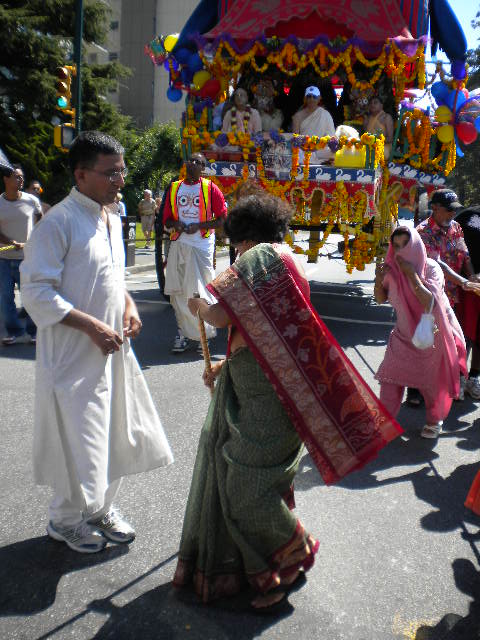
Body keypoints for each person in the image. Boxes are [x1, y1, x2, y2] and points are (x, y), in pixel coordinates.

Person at [173, 194, 401, 610]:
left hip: (269, 395)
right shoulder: (284, 258)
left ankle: (293, 556)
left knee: (247, 486)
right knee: (253, 478)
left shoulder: (260, 256)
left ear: (247, 235)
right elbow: (267, 333)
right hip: (271, 383)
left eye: (236, 242)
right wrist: (225, 366)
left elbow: (223, 316)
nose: (236, 251)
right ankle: (263, 566)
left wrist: (198, 308)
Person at [20, 131, 173, 553]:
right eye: (111, 173)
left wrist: (128, 307)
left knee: (116, 432)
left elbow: (112, 277)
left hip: (112, 348)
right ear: (81, 174)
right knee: (76, 438)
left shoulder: (111, 216)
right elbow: (37, 292)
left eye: (121, 171)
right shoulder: (58, 223)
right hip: (72, 354)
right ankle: (64, 520)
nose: (119, 180)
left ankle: (101, 508)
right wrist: (91, 326)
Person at [374, 226, 467, 439]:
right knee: (390, 380)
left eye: (404, 245)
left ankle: (434, 421)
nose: (399, 251)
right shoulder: (391, 269)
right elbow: (380, 299)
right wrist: (379, 280)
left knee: (431, 386)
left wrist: (412, 276)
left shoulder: (431, 268)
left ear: (415, 245)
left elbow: (430, 303)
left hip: (430, 337)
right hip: (402, 336)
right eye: (395, 246)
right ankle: (384, 421)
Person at [417, 189, 479, 401]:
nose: (452, 215)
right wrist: (464, 282)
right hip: (428, 297)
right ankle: (415, 390)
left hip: (451, 297)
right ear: (434, 209)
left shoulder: (456, 228)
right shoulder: (423, 232)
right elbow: (438, 264)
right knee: (425, 342)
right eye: (448, 211)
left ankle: (446, 384)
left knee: (451, 341)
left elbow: (464, 254)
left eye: (455, 211)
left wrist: (472, 276)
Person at [162, 153, 227, 353]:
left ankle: (203, 336)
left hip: (201, 246)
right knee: (179, 293)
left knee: (200, 291)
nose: (193, 163)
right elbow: (166, 220)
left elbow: (222, 219)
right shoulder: (174, 187)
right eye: (190, 160)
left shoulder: (210, 188)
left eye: (198, 162)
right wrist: (177, 224)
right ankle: (183, 332)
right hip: (179, 244)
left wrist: (199, 226)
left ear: (203, 168)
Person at [0, 164, 42, 345]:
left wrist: (33, 241)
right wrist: (11, 242)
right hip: (4, 258)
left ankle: (33, 331)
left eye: (21, 177)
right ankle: (14, 331)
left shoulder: (31, 201)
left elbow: (41, 222)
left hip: (27, 257)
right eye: (17, 177)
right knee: (6, 297)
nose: (21, 180)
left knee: (30, 296)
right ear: (6, 179)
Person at [455, 205, 480, 400]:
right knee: (464, 334)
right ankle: (459, 376)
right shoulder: (467, 216)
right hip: (467, 285)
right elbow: (457, 246)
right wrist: (470, 275)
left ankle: (474, 377)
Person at [291, 86, 335, 163]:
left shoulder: (325, 114)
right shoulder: (298, 116)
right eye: (309, 96)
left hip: (321, 150)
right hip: (304, 150)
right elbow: (296, 138)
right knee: (297, 153)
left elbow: (331, 137)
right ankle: (319, 160)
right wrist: (306, 146)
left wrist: (317, 146)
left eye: (314, 97)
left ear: (319, 98)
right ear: (305, 98)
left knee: (333, 152)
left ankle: (318, 159)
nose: (311, 99)